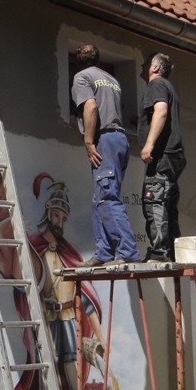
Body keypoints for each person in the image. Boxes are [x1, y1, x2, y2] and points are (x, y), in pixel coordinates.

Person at [0, 173, 105, 390]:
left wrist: (101, 338)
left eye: (64, 218)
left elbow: (83, 297)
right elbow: (21, 284)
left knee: (76, 389)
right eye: (57, 215)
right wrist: (20, 244)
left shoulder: (69, 253)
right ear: (49, 213)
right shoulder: (35, 246)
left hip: (69, 325)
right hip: (46, 323)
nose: (60, 222)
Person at [70, 43, 140, 266]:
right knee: (99, 198)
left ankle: (127, 252)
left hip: (105, 140)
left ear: (77, 62)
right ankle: (104, 253)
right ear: (98, 61)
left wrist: (89, 141)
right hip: (120, 140)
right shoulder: (112, 79)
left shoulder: (81, 77)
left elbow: (90, 106)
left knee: (106, 197)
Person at [138, 53, 187, 262]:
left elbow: (161, 111)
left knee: (154, 201)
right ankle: (173, 252)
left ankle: (160, 253)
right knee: (167, 205)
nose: (143, 66)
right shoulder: (168, 88)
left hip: (162, 155)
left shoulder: (156, 85)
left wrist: (149, 144)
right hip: (173, 155)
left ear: (155, 68)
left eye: (147, 64)